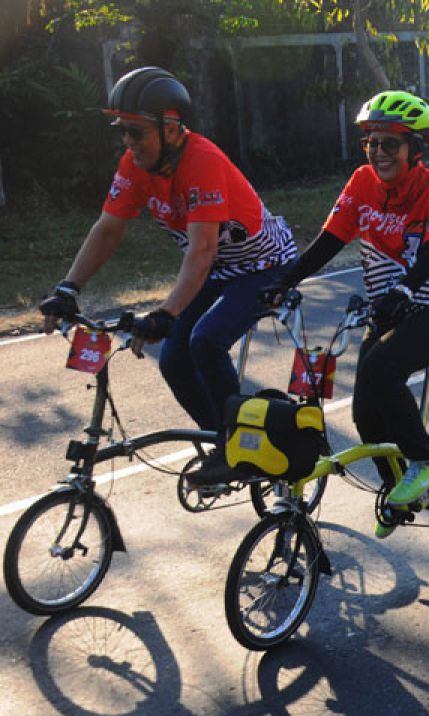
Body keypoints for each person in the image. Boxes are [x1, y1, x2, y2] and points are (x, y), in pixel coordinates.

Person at [38, 66, 296, 486]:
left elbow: (202, 249)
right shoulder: (136, 165)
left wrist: (166, 313)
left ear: (172, 127)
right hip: (216, 268)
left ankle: (240, 447)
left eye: (137, 132)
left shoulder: (203, 162)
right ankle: (226, 442)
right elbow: (108, 227)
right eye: (122, 131)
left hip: (264, 267)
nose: (128, 141)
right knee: (175, 360)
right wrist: (68, 288)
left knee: (205, 340)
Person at [263, 91, 429, 537]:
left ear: (416, 148)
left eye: (390, 144)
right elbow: (329, 240)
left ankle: (423, 462)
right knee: (365, 415)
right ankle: (399, 489)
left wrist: (403, 288)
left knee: (382, 370)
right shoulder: (362, 182)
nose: (379, 153)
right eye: (372, 144)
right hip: (388, 312)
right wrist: (287, 279)